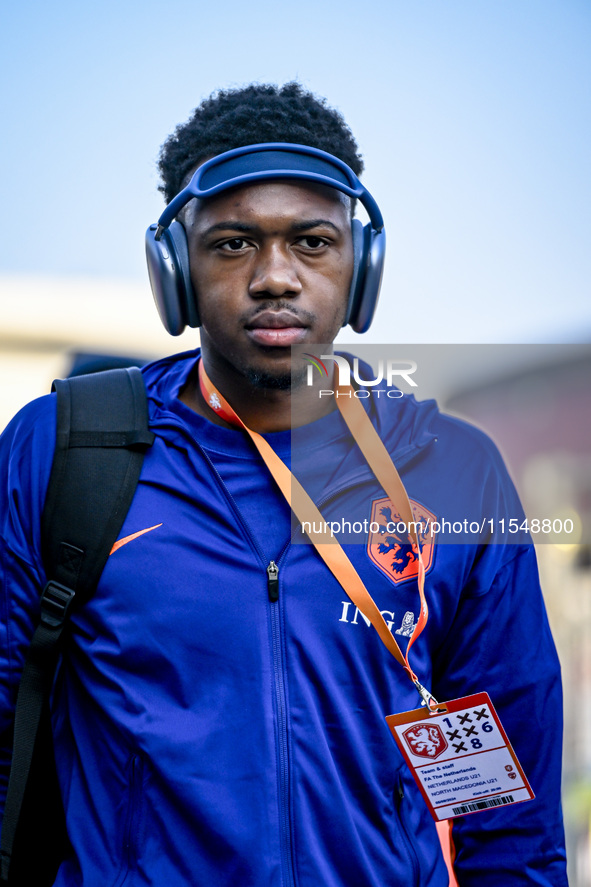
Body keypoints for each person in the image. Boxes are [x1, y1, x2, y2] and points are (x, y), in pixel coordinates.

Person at [0, 82, 567, 886]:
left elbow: (503, 812)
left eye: (311, 242)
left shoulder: (452, 472)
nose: (275, 277)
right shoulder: (59, 450)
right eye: (232, 244)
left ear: (359, 266)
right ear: (175, 270)